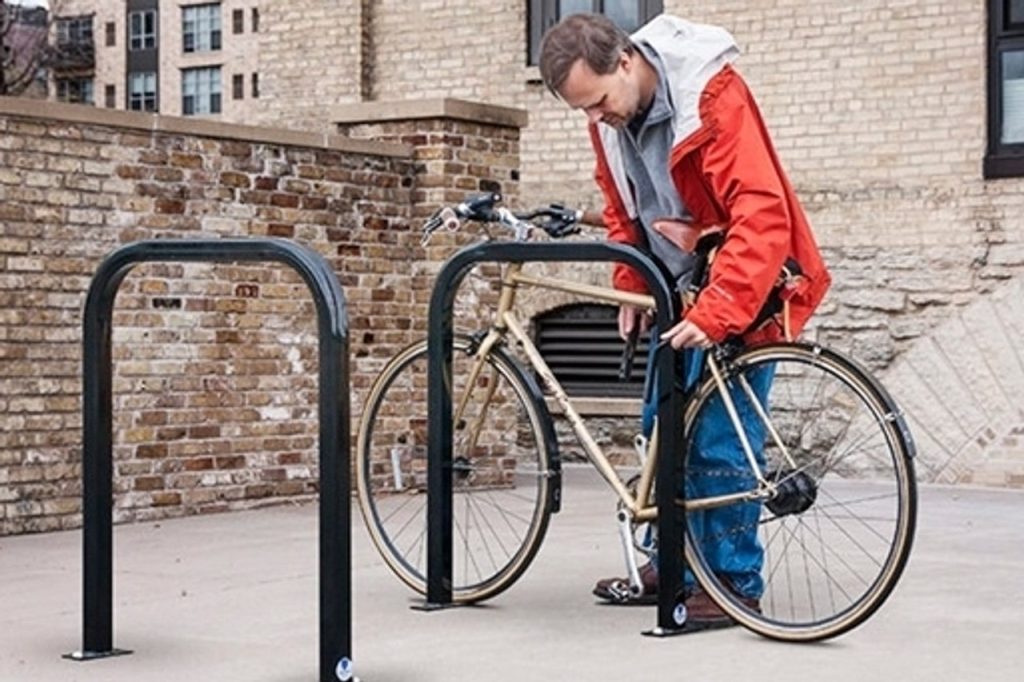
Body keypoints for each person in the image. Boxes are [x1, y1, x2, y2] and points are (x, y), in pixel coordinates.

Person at [538, 13, 831, 625]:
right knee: (660, 427)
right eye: (582, 112)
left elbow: (761, 212)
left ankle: (730, 584)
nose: (596, 120)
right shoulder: (609, 120)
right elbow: (624, 210)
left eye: (597, 103)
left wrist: (720, 309)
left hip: (737, 287)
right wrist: (631, 285)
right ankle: (667, 558)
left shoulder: (713, 94)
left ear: (624, 60)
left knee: (719, 441)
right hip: (673, 290)